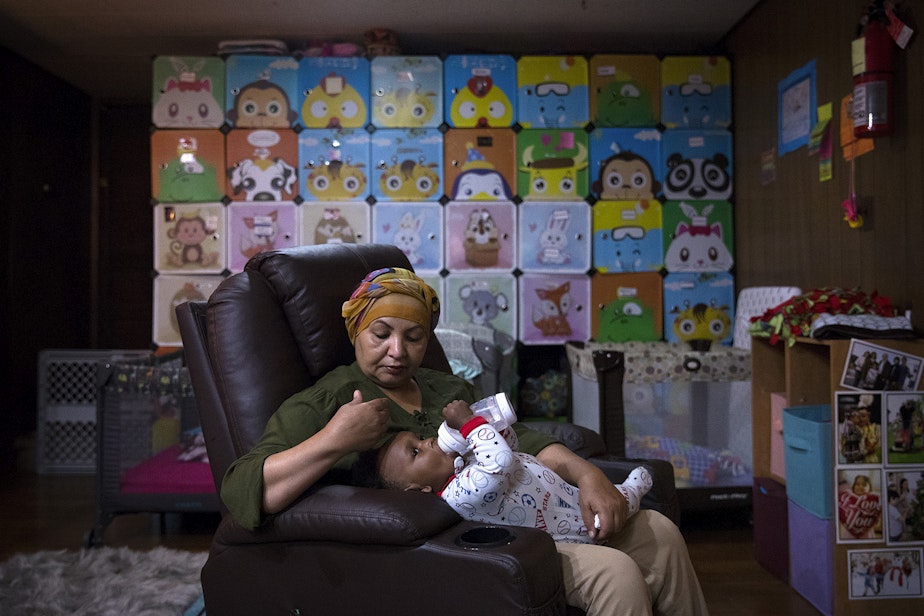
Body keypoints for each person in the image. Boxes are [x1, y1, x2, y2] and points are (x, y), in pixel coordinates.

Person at [220, 266, 709, 615]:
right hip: (477, 539)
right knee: (616, 575)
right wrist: (333, 438)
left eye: (414, 337)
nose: (398, 352)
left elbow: (525, 440)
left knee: (658, 533)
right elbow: (243, 490)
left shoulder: (444, 387)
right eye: (381, 334)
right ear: (355, 333)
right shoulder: (327, 400)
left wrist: (589, 475)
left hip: (541, 506)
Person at [366, 398, 653, 543]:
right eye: (416, 451)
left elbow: (510, 449)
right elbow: (500, 462)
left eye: (419, 438)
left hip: (564, 494)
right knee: (618, 506)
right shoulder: (459, 494)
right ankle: (633, 491)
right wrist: (469, 423)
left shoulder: (462, 466)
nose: (427, 441)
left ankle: (625, 493)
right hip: (566, 527)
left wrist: (495, 426)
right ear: (420, 490)